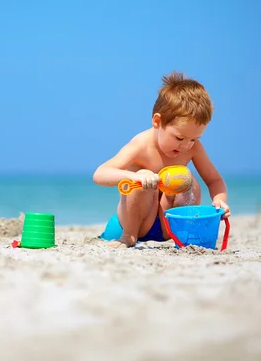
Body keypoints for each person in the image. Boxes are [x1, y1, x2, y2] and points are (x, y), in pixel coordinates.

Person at [92, 71, 230, 248]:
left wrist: (220, 200)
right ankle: (128, 237)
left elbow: (214, 180)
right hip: (136, 222)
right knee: (143, 174)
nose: (186, 146)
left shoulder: (192, 148)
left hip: (169, 224)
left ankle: (185, 236)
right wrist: (135, 177)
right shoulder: (141, 145)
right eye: (180, 138)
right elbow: (100, 174)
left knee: (189, 179)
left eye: (194, 139)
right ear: (158, 122)